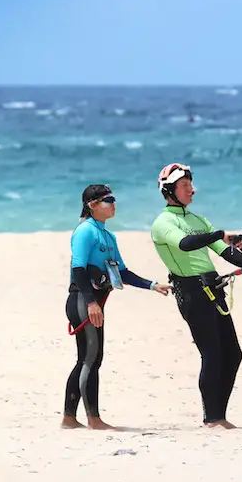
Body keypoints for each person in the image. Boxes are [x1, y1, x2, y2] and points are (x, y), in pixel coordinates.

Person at [150, 163, 242, 430]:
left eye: (190, 184)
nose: (191, 190)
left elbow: (224, 251)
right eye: (185, 186)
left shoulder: (198, 220)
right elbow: (186, 244)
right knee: (212, 354)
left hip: (213, 287)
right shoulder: (164, 223)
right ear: (169, 190)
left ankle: (220, 415)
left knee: (233, 353)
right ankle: (212, 418)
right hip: (191, 292)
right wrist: (218, 234)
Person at [62, 183, 172, 430]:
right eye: (108, 200)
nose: (113, 204)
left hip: (94, 301)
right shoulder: (85, 231)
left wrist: (152, 285)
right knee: (91, 358)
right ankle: (93, 419)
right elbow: (78, 269)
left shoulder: (108, 236)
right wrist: (91, 302)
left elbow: (122, 272)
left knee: (87, 359)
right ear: (92, 205)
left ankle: (69, 418)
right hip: (82, 299)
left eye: (113, 199)